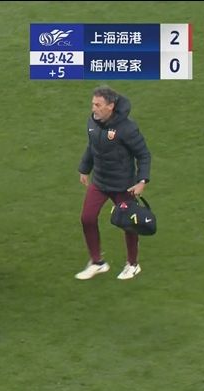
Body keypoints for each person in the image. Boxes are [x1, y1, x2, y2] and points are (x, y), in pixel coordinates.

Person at [75, 85, 152, 281]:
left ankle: (132, 264)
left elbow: (143, 154)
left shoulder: (127, 128)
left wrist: (141, 181)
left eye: (98, 105)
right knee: (87, 218)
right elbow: (92, 146)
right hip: (100, 181)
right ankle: (97, 262)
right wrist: (84, 169)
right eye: (93, 104)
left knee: (128, 224)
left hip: (123, 184)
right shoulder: (93, 122)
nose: (93, 108)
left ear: (111, 106)